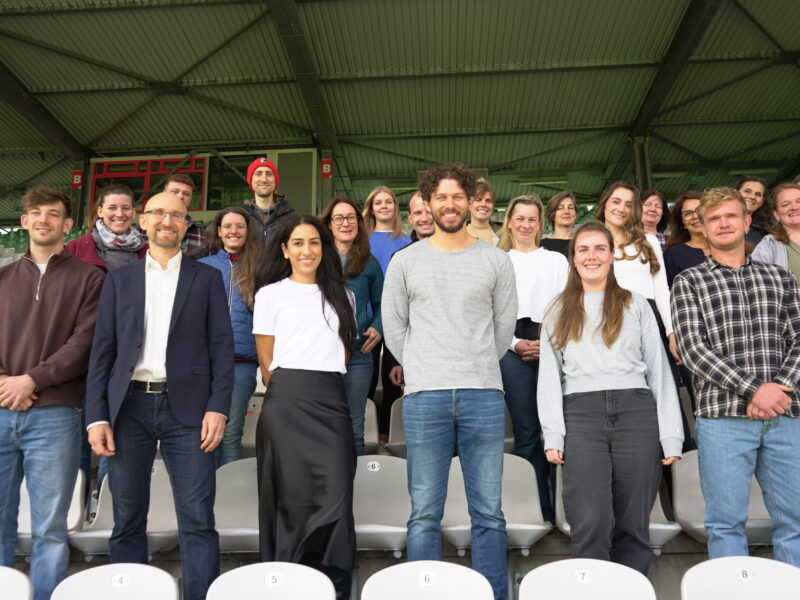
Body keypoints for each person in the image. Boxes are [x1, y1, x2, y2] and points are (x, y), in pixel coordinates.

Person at [85, 192, 234, 600]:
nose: (167, 220)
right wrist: (97, 416)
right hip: (128, 407)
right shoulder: (119, 279)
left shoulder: (206, 278)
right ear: (143, 221)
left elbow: (222, 348)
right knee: (128, 518)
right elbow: (104, 351)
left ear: (187, 225)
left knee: (197, 520)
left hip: (189, 411)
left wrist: (218, 407)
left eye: (177, 214)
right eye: (159, 213)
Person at [382, 163, 517, 600]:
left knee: (489, 514)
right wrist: (424, 365)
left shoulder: (496, 260)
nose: (450, 204)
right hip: (425, 398)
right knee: (424, 513)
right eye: (440, 197)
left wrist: (472, 362)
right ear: (426, 203)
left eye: (457, 196)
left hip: (483, 394)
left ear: (470, 201)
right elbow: (394, 326)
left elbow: (503, 328)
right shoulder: (405, 262)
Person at [539, 221, 683, 575]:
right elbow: (548, 379)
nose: (592, 256)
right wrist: (553, 433)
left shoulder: (635, 303)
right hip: (581, 414)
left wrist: (671, 434)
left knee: (633, 525)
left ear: (612, 254)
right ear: (573, 259)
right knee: (591, 520)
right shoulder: (558, 309)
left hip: (636, 411)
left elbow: (659, 370)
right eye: (583, 249)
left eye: (599, 248)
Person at [671, 187, 800, 566]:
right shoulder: (689, 282)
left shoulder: (781, 278)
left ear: (747, 222)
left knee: (795, 522)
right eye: (714, 219)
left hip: (785, 415)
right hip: (723, 417)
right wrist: (756, 390)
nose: (723, 223)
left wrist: (779, 389)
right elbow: (694, 350)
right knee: (726, 524)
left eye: (731, 216)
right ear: (704, 230)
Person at [0, 186, 103, 600]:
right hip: (1, 408)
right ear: (24, 222)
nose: (44, 219)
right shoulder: (3, 278)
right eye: (36, 213)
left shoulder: (89, 279)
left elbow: (84, 343)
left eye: (54, 214)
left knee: (49, 528)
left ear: (67, 224)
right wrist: (7, 384)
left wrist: (32, 381)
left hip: (56, 415)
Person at [253, 214, 357, 600]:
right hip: (286, 406)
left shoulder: (344, 295)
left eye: (314, 242)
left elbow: (341, 352)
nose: (306, 250)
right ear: (284, 249)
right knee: (288, 504)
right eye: (297, 243)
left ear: (323, 248)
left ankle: (333, 590)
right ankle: (288, 589)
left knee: (336, 502)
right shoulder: (270, 295)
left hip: (330, 402)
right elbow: (266, 362)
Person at [497, 195, 568, 523]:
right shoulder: (497, 260)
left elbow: (567, 307)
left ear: (541, 224)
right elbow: (490, 312)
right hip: (511, 347)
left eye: (532, 219)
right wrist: (514, 344)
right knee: (526, 431)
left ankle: (563, 508)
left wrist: (549, 344)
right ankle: (536, 508)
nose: (526, 224)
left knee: (556, 429)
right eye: (520, 218)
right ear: (509, 221)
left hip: (550, 344)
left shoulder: (555, 261)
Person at [198, 206, 263, 466]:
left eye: (240, 226)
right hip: (205, 363)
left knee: (230, 434)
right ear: (219, 231)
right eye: (228, 226)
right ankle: (205, 499)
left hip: (242, 362)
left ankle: (228, 500)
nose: (234, 231)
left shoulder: (261, 267)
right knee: (204, 433)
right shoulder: (202, 267)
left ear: (248, 232)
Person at [321, 197, 384, 455]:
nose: (345, 223)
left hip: (358, 356)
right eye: (339, 218)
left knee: (354, 427)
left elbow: (384, 303)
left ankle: (354, 491)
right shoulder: (317, 260)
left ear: (359, 224)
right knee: (324, 425)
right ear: (329, 225)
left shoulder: (370, 263)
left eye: (351, 218)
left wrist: (378, 326)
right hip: (322, 356)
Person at [596, 181, 679, 366]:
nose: (621, 209)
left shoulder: (649, 241)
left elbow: (661, 290)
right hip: (608, 324)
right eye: (616, 202)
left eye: (628, 204)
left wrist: (671, 332)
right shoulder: (591, 244)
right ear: (605, 204)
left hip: (649, 321)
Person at [362, 185, 411, 441]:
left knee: (394, 379)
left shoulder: (406, 242)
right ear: (371, 208)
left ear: (395, 208)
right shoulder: (361, 240)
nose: (383, 206)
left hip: (396, 319)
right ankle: (366, 434)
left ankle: (388, 435)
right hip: (368, 319)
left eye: (388, 202)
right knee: (366, 379)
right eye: (378, 202)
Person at [68, 184, 148, 271]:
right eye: (112, 208)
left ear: (133, 213)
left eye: (126, 208)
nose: (120, 214)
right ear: (100, 212)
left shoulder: (149, 252)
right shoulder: (75, 248)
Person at [241, 157, 296, 248]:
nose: (264, 179)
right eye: (258, 174)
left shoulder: (291, 216)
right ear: (251, 180)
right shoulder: (240, 216)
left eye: (269, 174)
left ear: (275, 180)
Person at [752, 182, 800, 280]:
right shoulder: (769, 246)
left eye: (799, 201)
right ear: (776, 215)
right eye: (785, 204)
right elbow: (758, 284)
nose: (794, 207)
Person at [663, 191, 708, 288]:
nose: (695, 216)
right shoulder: (673, 255)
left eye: (699, 210)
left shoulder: (727, 246)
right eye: (687, 213)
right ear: (683, 223)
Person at [164, 174, 206, 254]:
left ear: (190, 198)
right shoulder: (143, 231)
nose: (180, 196)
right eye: (175, 192)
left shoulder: (203, 236)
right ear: (164, 193)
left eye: (186, 194)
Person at [736, 175, 771, 246]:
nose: (752, 197)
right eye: (747, 191)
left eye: (758, 194)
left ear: (762, 202)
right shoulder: (717, 223)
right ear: (735, 193)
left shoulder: (765, 236)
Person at [540, 189, 577, 258]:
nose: (566, 211)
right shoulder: (541, 246)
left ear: (575, 214)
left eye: (571, 208)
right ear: (552, 215)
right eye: (560, 208)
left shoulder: (583, 243)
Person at [466, 177, 499, 245]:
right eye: (478, 199)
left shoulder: (503, 235)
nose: (483, 204)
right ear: (469, 205)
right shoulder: (457, 234)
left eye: (488, 200)